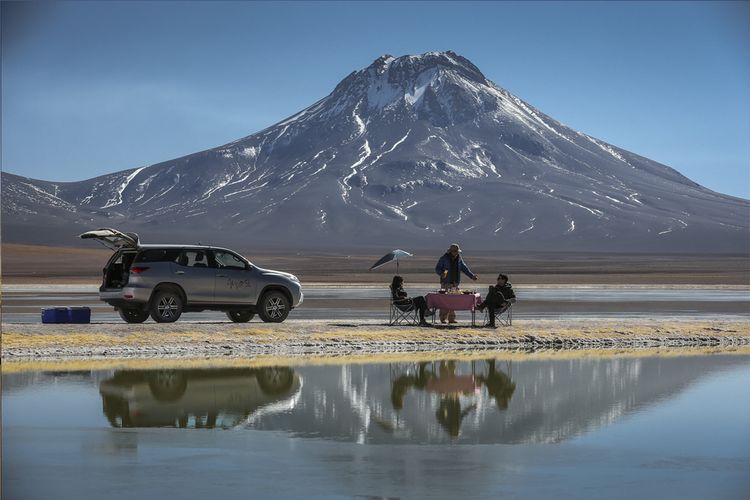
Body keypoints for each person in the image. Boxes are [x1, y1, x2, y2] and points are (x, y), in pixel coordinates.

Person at [434, 243, 478, 323]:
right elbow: (437, 268)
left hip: (455, 283)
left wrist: (472, 276)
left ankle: (451, 318)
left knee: (453, 301)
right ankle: (443, 318)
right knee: (445, 301)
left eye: (456, 251)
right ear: (451, 251)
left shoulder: (459, 259)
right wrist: (441, 274)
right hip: (446, 283)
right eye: (454, 251)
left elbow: (465, 268)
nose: (456, 253)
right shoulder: (444, 258)